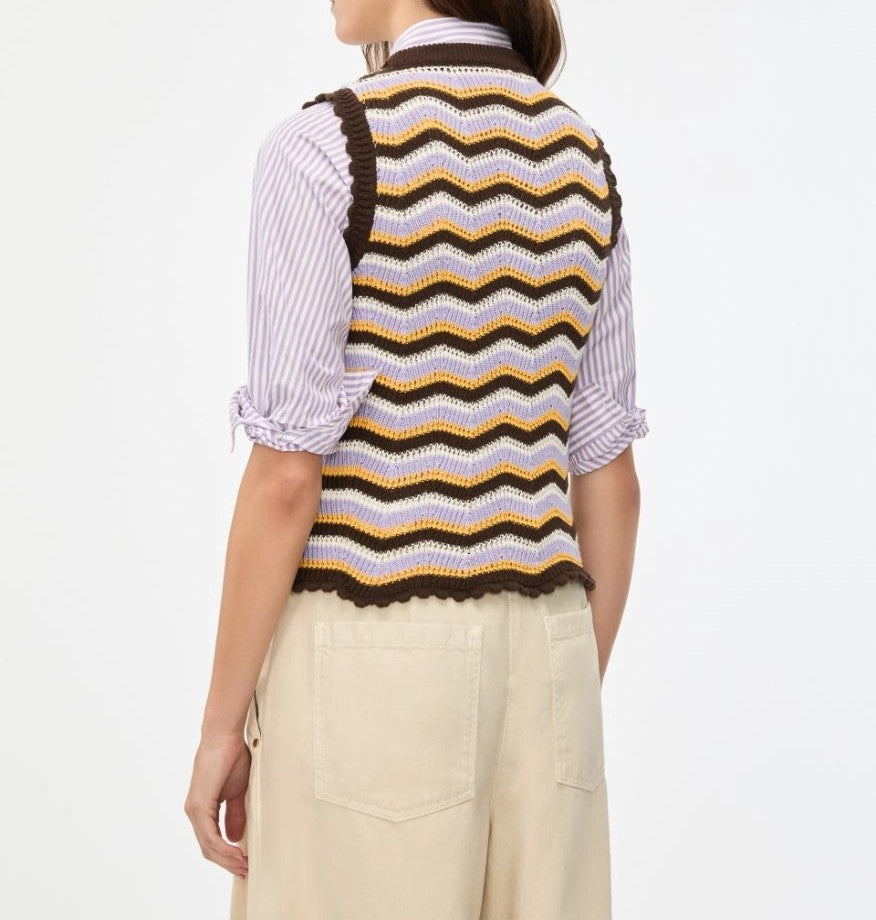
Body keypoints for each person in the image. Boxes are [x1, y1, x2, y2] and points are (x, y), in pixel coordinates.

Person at [184, 2, 648, 917]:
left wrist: (219, 731)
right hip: (551, 651)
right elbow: (610, 478)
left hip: (373, 650)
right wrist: (557, 692)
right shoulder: (582, 158)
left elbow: (286, 479)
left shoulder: (331, 147)